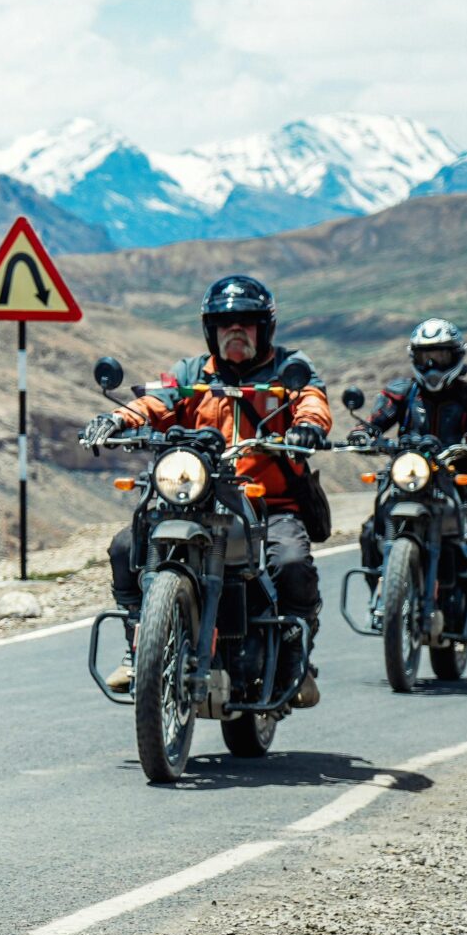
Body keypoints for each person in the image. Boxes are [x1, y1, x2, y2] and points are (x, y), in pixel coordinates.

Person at [98, 275, 332, 698]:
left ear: (265, 328)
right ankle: (139, 644)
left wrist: (307, 428)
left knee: (293, 563)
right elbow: (157, 400)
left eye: (247, 322)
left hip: (268, 504)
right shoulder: (192, 372)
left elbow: (311, 399)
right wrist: (118, 419)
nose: (236, 331)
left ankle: (297, 660)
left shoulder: (289, 368)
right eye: (226, 324)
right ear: (212, 330)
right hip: (195, 500)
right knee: (122, 546)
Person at [358, 319, 467, 638]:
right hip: (410, 484)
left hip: (461, 486)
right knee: (368, 532)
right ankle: (382, 597)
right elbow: (374, 422)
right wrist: (364, 433)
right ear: (414, 358)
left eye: (441, 357)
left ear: (456, 357)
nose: (432, 365)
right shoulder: (401, 394)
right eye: (425, 357)